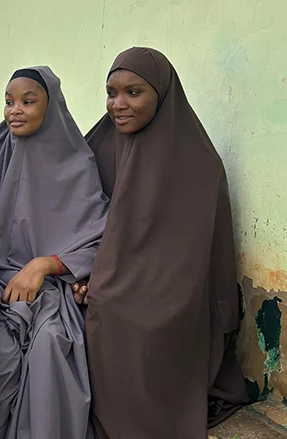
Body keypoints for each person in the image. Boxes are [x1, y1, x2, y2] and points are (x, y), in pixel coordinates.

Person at [84, 47, 250, 438]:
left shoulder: (199, 163)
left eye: (133, 93)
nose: (118, 105)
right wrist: (82, 270)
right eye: (111, 93)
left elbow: (190, 262)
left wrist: (105, 281)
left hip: (171, 291)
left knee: (115, 311)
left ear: (162, 93)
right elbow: (78, 222)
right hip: (103, 273)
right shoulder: (97, 147)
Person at [0, 66, 108, 439]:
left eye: (28, 101)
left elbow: (99, 236)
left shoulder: (78, 163)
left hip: (55, 287)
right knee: (2, 349)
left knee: (51, 342)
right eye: (8, 102)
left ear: (50, 106)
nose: (14, 110)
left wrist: (46, 265)